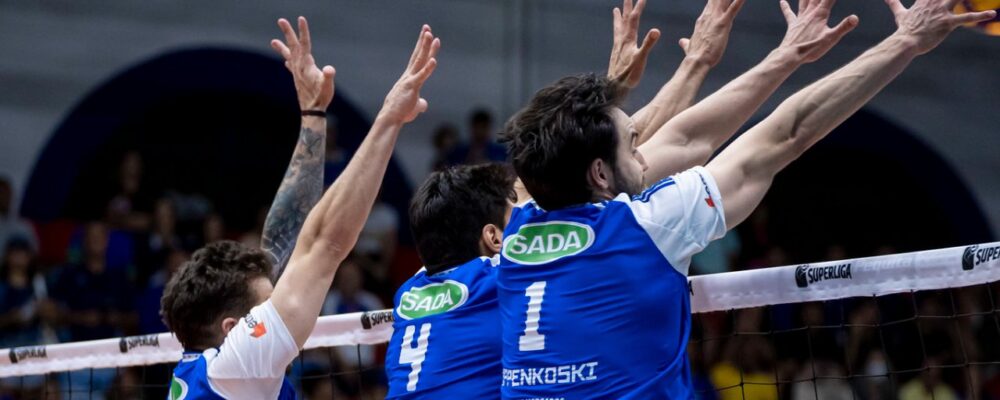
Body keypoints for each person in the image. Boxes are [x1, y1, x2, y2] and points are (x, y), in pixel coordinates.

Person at [497, 0, 995, 397]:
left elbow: (686, 140)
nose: (646, 155)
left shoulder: (513, 228)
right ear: (600, 173)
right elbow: (787, 133)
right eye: (633, 144)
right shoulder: (648, 226)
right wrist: (906, 42)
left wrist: (784, 55)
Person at [384, 0, 744, 396]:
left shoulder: (412, 291)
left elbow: (588, 160)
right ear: (492, 238)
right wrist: (694, 64)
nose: (530, 216)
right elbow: (652, 150)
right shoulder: (501, 274)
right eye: (514, 212)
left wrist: (610, 97)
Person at [159, 16, 440, 399]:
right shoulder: (238, 366)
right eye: (268, 305)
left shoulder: (208, 368)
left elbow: (282, 244)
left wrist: (312, 117)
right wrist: (390, 119)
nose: (283, 300)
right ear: (232, 329)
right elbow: (324, 244)